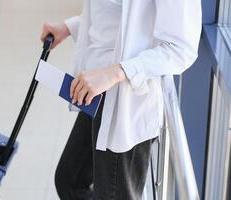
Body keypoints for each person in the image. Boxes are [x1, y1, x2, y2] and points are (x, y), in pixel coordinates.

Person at [40, 0, 202, 199]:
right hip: (95, 92)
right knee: (70, 180)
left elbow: (181, 49)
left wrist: (116, 72)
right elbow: (114, 15)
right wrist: (69, 27)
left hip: (126, 103)